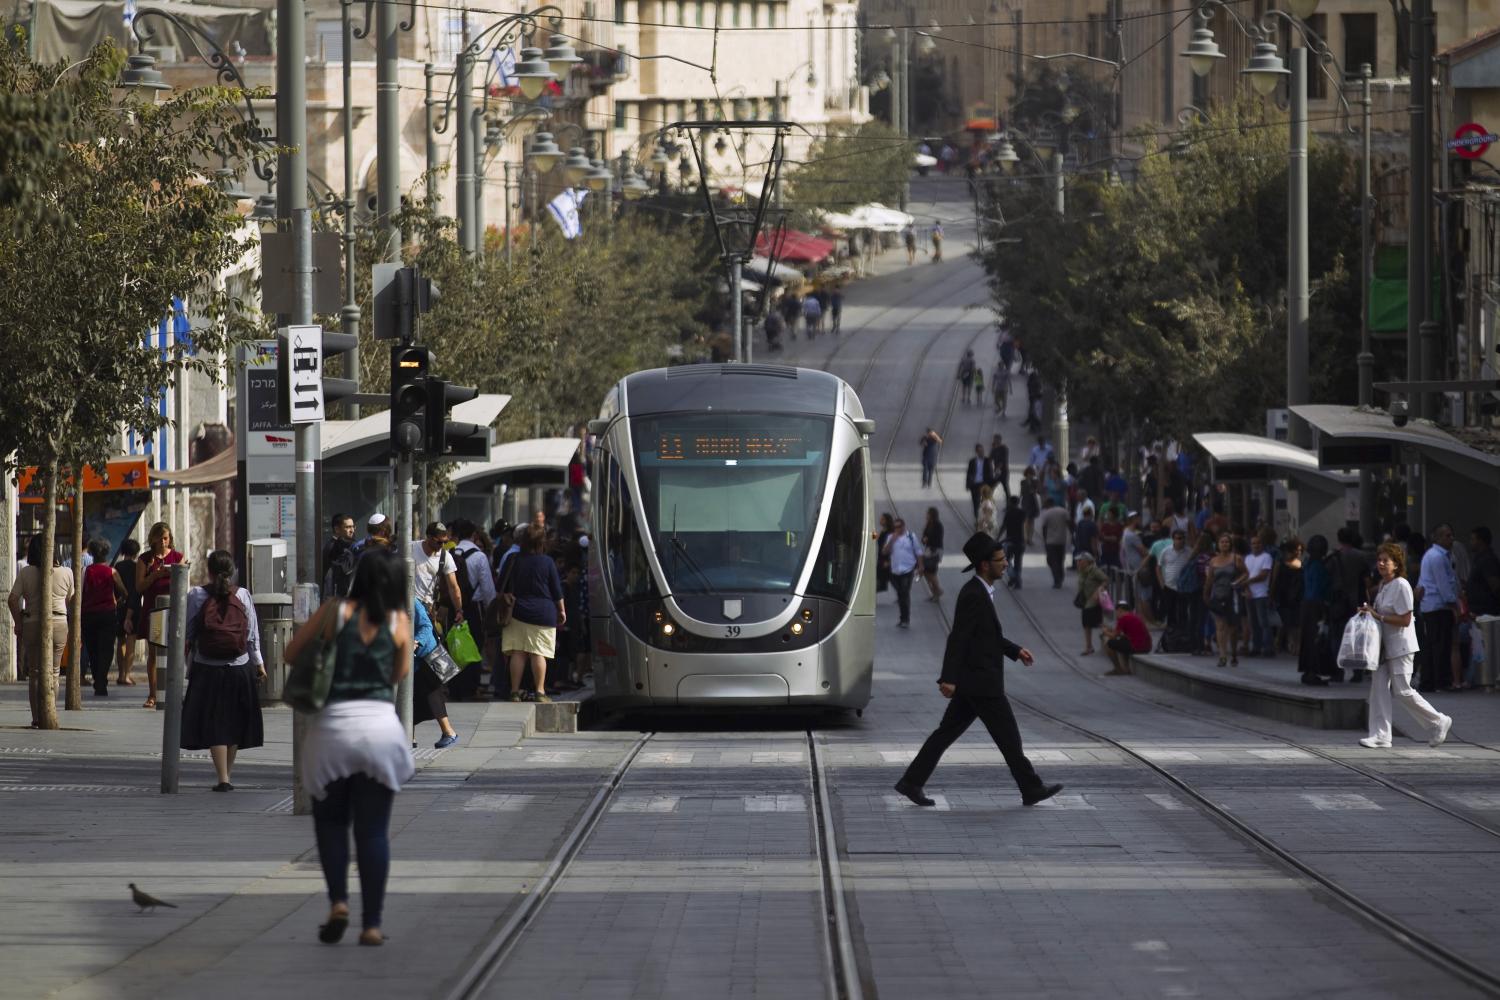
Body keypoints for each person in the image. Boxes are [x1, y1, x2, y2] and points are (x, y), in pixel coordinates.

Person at [287, 547, 415, 948]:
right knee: (373, 832)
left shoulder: (334, 611)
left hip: (331, 733)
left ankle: (338, 902)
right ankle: (372, 924)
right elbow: (398, 675)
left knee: (330, 823)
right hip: (380, 730)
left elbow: (292, 654)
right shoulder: (399, 622)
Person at [893, 532, 1062, 808]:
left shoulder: (981, 591)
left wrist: (1014, 650)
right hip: (982, 683)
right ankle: (1031, 788)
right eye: (1000, 560)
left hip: (973, 682)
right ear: (985, 565)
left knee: (946, 734)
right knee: (1008, 737)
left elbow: (985, 636)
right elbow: (958, 637)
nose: (1005, 563)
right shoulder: (973, 594)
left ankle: (911, 782)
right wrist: (948, 678)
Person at [180, 550, 265, 791]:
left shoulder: (196, 595)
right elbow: (252, 635)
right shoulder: (243, 595)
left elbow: (187, 632)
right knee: (235, 721)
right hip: (240, 667)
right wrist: (259, 663)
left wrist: (187, 661)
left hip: (207, 667)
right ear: (233, 571)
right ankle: (227, 774)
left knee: (214, 722)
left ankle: (223, 778)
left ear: (209, 571)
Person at [1359, 542, 1451, 749]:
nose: (1381, 564)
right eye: (1379, 560)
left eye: (1386, 561)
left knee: (1402, 690)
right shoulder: (1383, 585)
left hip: (1401, 646)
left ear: (1396, 564)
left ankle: (1438, 721)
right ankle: (1380, 735)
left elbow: (1405, 619)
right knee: (1378, 688)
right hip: (1383, 647)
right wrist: (1369, 612)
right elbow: (1381, 614)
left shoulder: (1402, 585)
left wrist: (1378, 616)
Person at [8, 535, 73, 722]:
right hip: (59, 622)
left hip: (32, 622)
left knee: (35, 672)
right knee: (54, 671)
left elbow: (12, 599)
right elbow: (71, 599)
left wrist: (18, 621)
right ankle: (50, 713)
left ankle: (37, 717)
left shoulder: (26, 573)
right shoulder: (67, 572)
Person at [502, 525, 565, 702]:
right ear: (542, 542)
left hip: (517, 611)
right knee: (538, 653)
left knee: (518, 653)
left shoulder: (513, 559)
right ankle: (540, 691)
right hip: (543, 613)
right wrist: (562, 610)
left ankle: (515, 691)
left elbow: (502, 585)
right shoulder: (547, 562)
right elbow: (556, 591)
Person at [136, 522, 184, 709]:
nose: (164, 542)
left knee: (174, 652)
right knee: (154, 652)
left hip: (173, 609)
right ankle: (153, 693)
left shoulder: (178, 557)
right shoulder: (145, 559)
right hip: (153, 609)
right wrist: (155, 575)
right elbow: (139, 587)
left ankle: (173, 692)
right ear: (153, 539)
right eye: (160, 538)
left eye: (167, 538)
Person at [80, 538, 128, 696]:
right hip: (107, 614)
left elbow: (79, 593)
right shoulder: (112, 572)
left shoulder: (85, 571)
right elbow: (124, 592)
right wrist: (117, 601)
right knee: (106, 649)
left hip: (88, 615)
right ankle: (102, 680)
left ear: (92, 553)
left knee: (92, 649)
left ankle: (97, 678)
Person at [1416, 524, 1460, 692]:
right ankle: (1440, 681)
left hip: (1432, 605)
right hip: (1438, 606)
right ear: (1438, 538)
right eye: (1447, 536)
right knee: (1440, 644)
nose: (1451, 539)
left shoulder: (1437, 556)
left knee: (1432, 644)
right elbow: (1443, 584)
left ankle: (1430, 680)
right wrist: (1453, 604)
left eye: (1451, 535)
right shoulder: (1438, 557)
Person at [411, 599, 459, 748]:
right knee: (411, 699)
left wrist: (416, 642)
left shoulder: (412, 601)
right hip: (411, 660)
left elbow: (426, 625)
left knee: (432, 694)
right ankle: (409, 737)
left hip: (427, 655)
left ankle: (449, 732)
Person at [1204, 533, 1247, 667]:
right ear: (1218, 544)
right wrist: (1205, 593)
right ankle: (1222, 655)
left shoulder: (1236, 558)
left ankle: (1233, 653)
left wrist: (1237, 582)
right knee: (1220, 626)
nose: (1224, 544)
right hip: (1217, 595)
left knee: (1233, 628)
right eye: (1222, 542)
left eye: (1227, 542)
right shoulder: (1213, 561)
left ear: (1230, 544)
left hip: (1232, 596)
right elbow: (1210, 579)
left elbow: (1246, 573)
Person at [1297, 534, 1334, 685]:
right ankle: (1313, 670)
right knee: (1316, 638)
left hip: (1306, 603)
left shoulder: (1307, 564)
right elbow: (1322, 588)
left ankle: (1307, 669)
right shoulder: (1320, 567)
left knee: (1307, 638)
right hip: (1317, 604)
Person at [410, 521, 463, 623]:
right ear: (429, 537)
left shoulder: (445, 556)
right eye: (439, 542)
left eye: (445, 542)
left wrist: (459, 610)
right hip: (408, 606)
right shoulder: (411, 548)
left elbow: (453, 586)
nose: (442, 545)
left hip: (427, 608)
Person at [113, 537, 142, 687]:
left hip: (120, 605)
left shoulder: (118, 566)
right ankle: (127, 675)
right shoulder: (138, 567)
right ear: (136, 552)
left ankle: (120, 674)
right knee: (131, 641)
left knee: (121, 641)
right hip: (134, 606)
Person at [883, 518, 922, 628]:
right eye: (895, 527)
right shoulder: (891, 537)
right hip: (895, 571)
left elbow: (918, 552)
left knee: (904, 593)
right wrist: (892, 540)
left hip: (908, 570)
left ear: (903, 526)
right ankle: (903, 618)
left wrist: (921, 566)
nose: (897, 529)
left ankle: (905, 619)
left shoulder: (911, 537)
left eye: (899, 526)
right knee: (901, 594)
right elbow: (885, 551)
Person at [1243, 533, 1275, 656]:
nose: (1256, 545)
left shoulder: (1266, 557)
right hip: (1250, 594)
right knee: (1253, 622)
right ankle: (1256, 647)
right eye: (1253, 543)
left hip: (1261, 593)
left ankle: (1268, 647)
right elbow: (1244, 574)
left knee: (1263, 622)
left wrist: (1248, 581)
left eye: (1258, 543)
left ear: (1262, 545)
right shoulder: (1248, 558)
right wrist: (1247, 588)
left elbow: (1263, 575)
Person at [1271, 538, 1304, 656]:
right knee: (1285, 622)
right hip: (1283, 595)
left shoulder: (1302, 564)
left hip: (1297, 596)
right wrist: (1272, 595)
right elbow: (1275, 580)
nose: (1299, 552)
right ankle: (1282, 642)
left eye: (1300, 550)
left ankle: (1296, 645)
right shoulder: (1280, 564)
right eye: (1296, 550)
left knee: (1297, 623)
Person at [1101, 601, 1151, 676]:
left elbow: (1114, 636)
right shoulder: (1133, 616)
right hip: (1146, 647)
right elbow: (1123, 635)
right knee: (1122, 641)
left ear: (1120, 610)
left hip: (1137, 647)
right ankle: (1126, 668)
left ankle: (1118, 669)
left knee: (1109, 643)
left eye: (1116, 612)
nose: (1116, 614)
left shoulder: (1123, 618)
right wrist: (1111, 631)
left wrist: (1105, 632)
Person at [1075, 551, 1109, 656]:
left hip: (1094, 601)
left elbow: (1106, 580)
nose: (1078, 562)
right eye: (1077, 561)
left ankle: (1107, 644)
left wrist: (1099, 590)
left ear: (1087, 561)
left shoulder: (1094, 570)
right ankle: (1089, 646)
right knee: (1086, 624)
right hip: (1086, 601)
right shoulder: (1081, 571)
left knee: (1099, 623)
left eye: (1080, 560)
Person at [322, 513, 356, 599]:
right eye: (348, 527)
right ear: (337, 529)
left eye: (353, 526)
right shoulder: (334, 547)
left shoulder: (345, 545)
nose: (352, 530)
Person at [998, 496, 1027, 589]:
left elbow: (1003, 526)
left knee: (1006, 561)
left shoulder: (1008, 513)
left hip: (1010, 541)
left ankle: (1013, 576)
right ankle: (1017, 581)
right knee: (1018, 562)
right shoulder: (1022, 513)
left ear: (1010, 502)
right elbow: (1024, 526)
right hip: (1020, 541)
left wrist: (998, 538)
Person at [920, 508, 945, 602]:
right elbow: (923, 537)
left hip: (935, 551)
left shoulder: (938, 525)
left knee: (930, 571)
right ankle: (935, 592)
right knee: (926, 572)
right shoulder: (928, 525)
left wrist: (927, 540)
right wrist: (924, 540)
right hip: (928, 550)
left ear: (932, 515)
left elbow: (937, 539)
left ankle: (937, 591)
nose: (926, 515)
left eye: (928, 514)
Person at [964, 444, 991, 518]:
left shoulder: (987, 460)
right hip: (974, 485)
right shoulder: (972, 461)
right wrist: (967, 485)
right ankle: (977, 519)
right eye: (979, 451)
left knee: (984, 503)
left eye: (982, 451)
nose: (981, 453)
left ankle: (983, 518)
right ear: (976, 452)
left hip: (983, 484)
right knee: (975, 503)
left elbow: (990, 473)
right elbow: (969, 473)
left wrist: (990, 485)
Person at [875, 513, 895, 595]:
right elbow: (875, 538)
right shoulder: (883, 531)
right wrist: (870, 533)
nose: (880, 520)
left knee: (887, 577)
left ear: (887, 521)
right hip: (881, 558)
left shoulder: (890, 533)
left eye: (882, 519)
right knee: (887, 577)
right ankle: (902, 592)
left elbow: (892, 548)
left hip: (886, 559)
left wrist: (889, 561)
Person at [987, 434, 1010, 501]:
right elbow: (990, 459)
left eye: (997, 439)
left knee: (1005, 489)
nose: (995, 440)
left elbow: (1003, 460)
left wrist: (998, 469)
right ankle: (988, 502)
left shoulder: (1004, 448)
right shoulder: (994, 449)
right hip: (996, 473)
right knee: (991, 487)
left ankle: (1009, 505)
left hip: (1003, 472)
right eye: (994, 439)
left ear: (1000, 440)